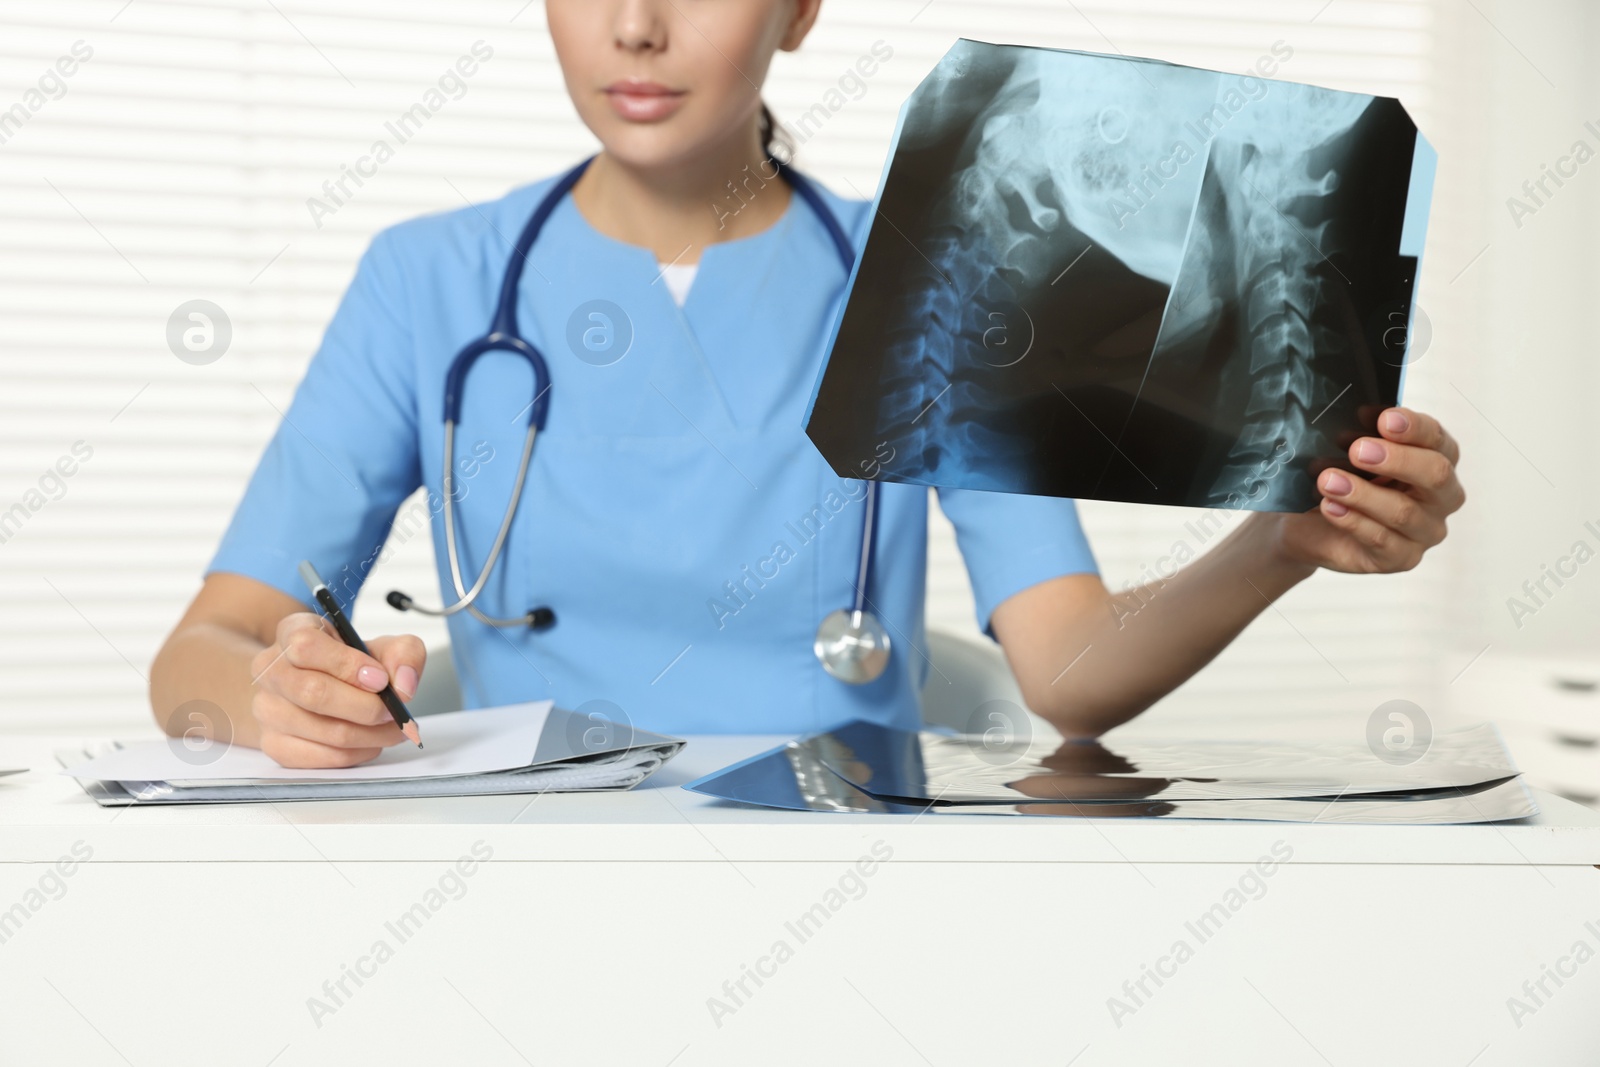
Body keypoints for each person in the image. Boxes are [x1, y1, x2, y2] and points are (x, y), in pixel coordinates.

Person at [149, 0, 1465, 769]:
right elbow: (195, 659)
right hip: (518, 895)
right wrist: (274, 703)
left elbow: (1070, 671)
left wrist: (1282, 543)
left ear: (800, 7)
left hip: (846, 895)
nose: (637, 27)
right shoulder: (425, 279)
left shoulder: (940, 281)